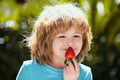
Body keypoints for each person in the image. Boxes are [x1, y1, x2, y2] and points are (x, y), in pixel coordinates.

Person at [16, 3, 93, 80]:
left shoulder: (85, 74)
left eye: (76, 36)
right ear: (46, 41)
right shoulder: (29, 70)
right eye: (62, 36)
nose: (70, 42)